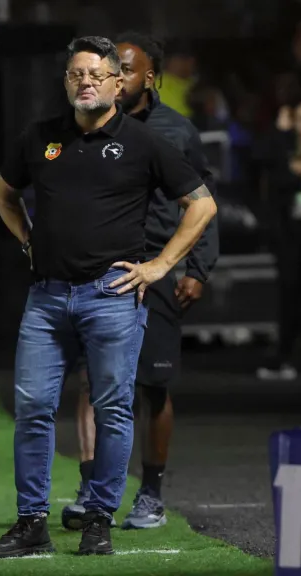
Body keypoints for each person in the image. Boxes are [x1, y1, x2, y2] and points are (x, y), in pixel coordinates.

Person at [0, 36, 217, 559]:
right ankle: (31, 522)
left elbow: (200, 205)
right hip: (45, 298)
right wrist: (27, 239)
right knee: (34, 407)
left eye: (95, 74)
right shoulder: (40, 137)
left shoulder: (143, 142)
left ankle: (99, 521)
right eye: (75, 75)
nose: (85, 81)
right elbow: (3, 193)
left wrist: (159, 266)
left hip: (110, 296)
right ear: (66, 83)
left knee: (113, 409)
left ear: (117, 82)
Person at [60, 31, 220, 532]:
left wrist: (196, 269)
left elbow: (202, 202)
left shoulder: (175, 133)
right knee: (93, 381)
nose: (116, 76)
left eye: (126, 69)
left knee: (153, 386)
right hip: (104, 270)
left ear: (149, 77)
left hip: (159, 267)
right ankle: (91, 486)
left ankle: (150, 491)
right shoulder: (89, 126)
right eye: (112, 67)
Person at [256, 100, 301, 381]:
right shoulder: (285, 150)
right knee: (290, 294)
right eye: (300, 119)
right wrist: (281, 132)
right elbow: (262, 160)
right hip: (290, 236)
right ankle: (283, 354)